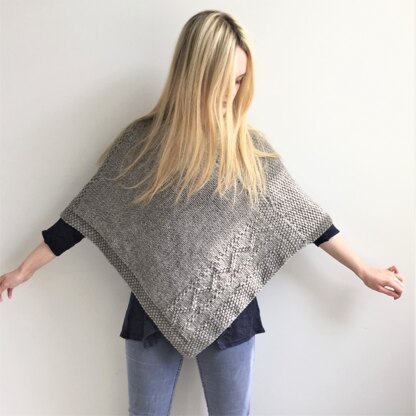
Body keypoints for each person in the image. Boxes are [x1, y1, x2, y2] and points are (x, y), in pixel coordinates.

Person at [0, 9, 405, 416]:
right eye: (224, 79)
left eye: (240, 80)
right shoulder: (142, 145)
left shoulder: (249, 150)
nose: (232, 92)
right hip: (150, 310)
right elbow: (86, 215)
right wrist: (25, 269)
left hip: (232, 307)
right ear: (194, 74)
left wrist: (363, 270)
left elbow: (305, 219)